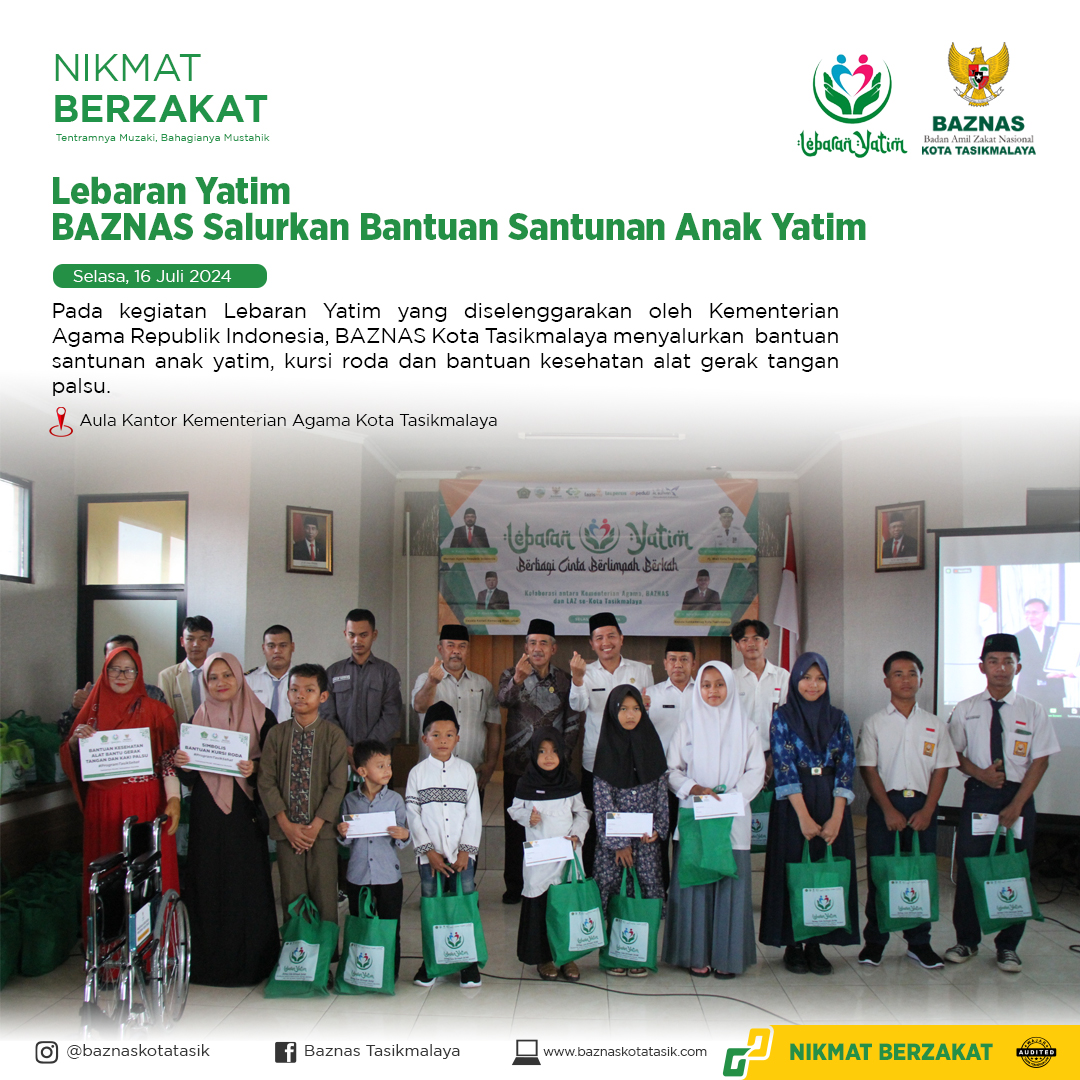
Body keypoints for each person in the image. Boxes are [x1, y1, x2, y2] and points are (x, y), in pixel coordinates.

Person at [944, 633, 1061, 973]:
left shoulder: (1033, 710)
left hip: (1017, 796)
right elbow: (953, 753)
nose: (1001, 668)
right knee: (971, 869)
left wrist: (1017, 805)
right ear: (982, 667)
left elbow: (1041, 761)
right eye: (993, 661)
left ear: (1018, 667)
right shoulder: (966, 708)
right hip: (980, 794)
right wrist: (980, 774)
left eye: (1008, 661)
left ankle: (1008, 946)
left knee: (1013, 872)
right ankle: (967, 940)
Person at [174, 652, 279, 986]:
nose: (220, 683)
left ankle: (252, 964)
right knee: (207, 880)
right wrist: (183, 763)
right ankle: (207, 965)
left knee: (245, 882)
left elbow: (275, 769)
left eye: (227, 675)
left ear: (239, 677)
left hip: (244, 813)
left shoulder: (263, 716)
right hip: (207, 814)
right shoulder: (198, 717)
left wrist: (255, 768)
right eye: (213, 677)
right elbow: (189, 777)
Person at [61, 646, 181, 928]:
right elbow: (71, 756)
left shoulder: (156, 711)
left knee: (147, 873)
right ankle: (108, 947)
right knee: (107, 875)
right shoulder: (91, 712)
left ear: (138, 674)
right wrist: (76, 742)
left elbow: (168, 759)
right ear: (105, 672)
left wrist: (174, 798)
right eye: (115, 669)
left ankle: (153, 944)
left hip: (146, 802)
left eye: (129, 670)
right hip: (104, 803)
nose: (121, 675)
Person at [759, 652, 859, 975]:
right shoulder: (783, 717)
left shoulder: (839, 718)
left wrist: (837, 816)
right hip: (793, 804)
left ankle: (816, 943)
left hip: (831, 800)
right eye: (806, 678)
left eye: (819, 679)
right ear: (795, 681)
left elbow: (847, 766)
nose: (813, 685)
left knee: (824, 872)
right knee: (793, 868)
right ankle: (793, 944)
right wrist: (802, 816)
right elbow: (783, 767)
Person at [856, 651, 957, 969]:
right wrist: (887, 809)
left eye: (912, 673)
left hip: (922, 807)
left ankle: (919, 943)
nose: (906, 680)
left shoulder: (935, 724)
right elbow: (868, 769)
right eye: (898, 674)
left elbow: (941, 769)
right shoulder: (874, 722)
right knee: (881, 875)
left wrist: (929, 810)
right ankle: (875, 942)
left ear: (921, 680)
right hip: (885, 806)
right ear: (886, 681)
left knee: (921, 876)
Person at [665, 661, 765, 978]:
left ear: (730, 687)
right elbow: (672, 770)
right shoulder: (688, 726)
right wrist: (693, 788)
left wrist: (732, 798)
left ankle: (727, 957)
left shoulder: (747, 727)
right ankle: (695, 954)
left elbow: (757, 771)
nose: (712, 691)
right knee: (696, 884)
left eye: (719, 684)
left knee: (729, 886)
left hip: (732, 816)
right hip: (696, 814)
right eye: (706, 685)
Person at [497, 618, 583, 904]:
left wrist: (562, 759)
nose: (537, 648)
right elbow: (503, 700)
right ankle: (515, 885)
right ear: (525, 647)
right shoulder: (511, 673)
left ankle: (551, 881)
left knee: (549, 826)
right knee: (516, 827)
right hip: (518, 766)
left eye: (543, 643)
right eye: (532, 643)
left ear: (553, 648)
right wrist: (517, 680)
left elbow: (573, 721)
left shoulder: (564, 680)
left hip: (552, 770)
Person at [258, 663, 349, 927]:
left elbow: (337, 785)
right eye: (294, 689)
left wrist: (316, 826)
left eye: (309, 690)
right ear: (287, 694)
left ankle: (326, 952)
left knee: (325, 896)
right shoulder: (277, 734)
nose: (300, 695)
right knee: (292, 896)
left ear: (323, 696)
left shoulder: (333, 735)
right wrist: (286, 826)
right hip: (287, 833)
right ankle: (295, 951)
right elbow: (266, 781)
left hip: (322, 832)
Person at [569, 612, 654, 874]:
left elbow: (648, 715)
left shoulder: (641, 671)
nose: (606, 642)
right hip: (596, 761)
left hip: (633, 761)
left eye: (611, 636)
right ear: (591, 644)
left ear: (621, 638)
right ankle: (594, 880)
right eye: (599, 638)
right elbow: (578, 705)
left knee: (630, 822)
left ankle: (632, 879)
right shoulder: (586, 673)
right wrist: (577, 679)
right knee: (597, 824)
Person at [592, 686, 669, 977]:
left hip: (647, 845)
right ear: (613, 712)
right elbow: (602, 801)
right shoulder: (606, 750)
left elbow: (661, 793)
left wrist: (658, 829)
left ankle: (640, 956)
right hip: (615, 849)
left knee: (645, 895)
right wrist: (619, 842)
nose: (630, 715)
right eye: (623, 709)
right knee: (614, 895)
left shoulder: (652, 744)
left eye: (636, 708)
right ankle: (616, 955)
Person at [406, 702, 484, 988]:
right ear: (424, 738)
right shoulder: (417, 774)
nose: (442, 740)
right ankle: (432, 962)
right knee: (433, 908)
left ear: (458, 738)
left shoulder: (466, 771)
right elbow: (413, 815)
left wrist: (466, 851)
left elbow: (473, 814)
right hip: (431, 859)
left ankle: (467, 964)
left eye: (449, 735)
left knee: (464, 905)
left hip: (462, 858)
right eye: (435, 735)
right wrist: (429, 851)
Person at [508, 730, 590, 981]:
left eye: (554, 751)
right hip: (540, 858)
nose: (548, 757)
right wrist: (527, 817)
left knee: (565, 907)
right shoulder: (526, 783)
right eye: (542, 751)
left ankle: (567, 957)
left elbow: (582, 813)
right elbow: (514, 810)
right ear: (533, 754)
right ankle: (544, 957)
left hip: (566, 856)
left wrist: (577, 834)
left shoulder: (569, 782)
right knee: (541, 906)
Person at [337, 739, 410, 982]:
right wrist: (342, 833)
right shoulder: (350, 801)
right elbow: (346, 842)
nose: (388, 770)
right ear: (362, 771)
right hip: (358, 876)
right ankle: (363, 972)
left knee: (390, 927)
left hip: (388, 876)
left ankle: (389, 973)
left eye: (389, 764)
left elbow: (403, 837)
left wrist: (404, 834)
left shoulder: (395, 800)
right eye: (380, 766)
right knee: (361, 924)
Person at [412, 624, 502, 802]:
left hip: (471, 773)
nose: (456, 651)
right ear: (440, 649)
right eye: (450, 645)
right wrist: (432, 682)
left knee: (471, 819)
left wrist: (491, 763)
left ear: (468, 650)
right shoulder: (425, 679)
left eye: (462, 646)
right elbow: (419, 707)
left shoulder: (482, 684)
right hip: (432, 774)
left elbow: (494, 727)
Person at [646, 637, 697, 888]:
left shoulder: (704, 693)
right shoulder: (650, 695)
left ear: (693, 664)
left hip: (694, 781)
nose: (678, 665)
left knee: (686, 839)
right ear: (665, 663)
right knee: (658, 839)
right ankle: (661, 893)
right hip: (659, 781)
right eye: (673, 659)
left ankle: (682, 892)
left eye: (684, 659)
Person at [321, 609, 403, 760]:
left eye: (363, 635)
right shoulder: (333, 672)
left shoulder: (388, 673)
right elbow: (326, 715)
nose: (357, 641)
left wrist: (365, 751)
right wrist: (346, 746)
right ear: (345, 634)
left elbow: (391, 717)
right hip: (340, 754)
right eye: (352, 635)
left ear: (374, 635)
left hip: (376, 756)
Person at [60, 634, 167, 739]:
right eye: (114, 654)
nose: (120, 658)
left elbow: (166, 736)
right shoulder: (89, 694)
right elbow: (64, 734)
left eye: (126, 653)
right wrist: (74, 708)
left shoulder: (153, 695)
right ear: (106, 659)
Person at [731, 618, 790, 784]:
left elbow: (788, 720)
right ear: (737, 646)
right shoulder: (731, 679)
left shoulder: (782, 677)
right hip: (740, 755)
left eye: (756, 638)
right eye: (744, 640)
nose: (751, 644)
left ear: (765, 643)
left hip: (775, 754)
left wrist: (774, 757)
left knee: (774, 799)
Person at [158, 615, 215, 729]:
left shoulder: (221, 675)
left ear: (210, 642)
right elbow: (165, 717)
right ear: (182, 641)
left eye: (203, 639)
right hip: (179, 738)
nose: (196, 644)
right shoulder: (167, 676)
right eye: (190, 639)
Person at [1015, 599, 1068, 715]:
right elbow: (1023, 664)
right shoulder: (1018, 637)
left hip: (1053, 691)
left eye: (1035, 612)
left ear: (1045, 614)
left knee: (1056, 723)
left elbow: (1066, 655)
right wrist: (1047, 675)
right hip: (1029, 691)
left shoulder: (1056, 633)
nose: (1030, 616)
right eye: (1027, 612)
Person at [245, 624, 296, 719]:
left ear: (292, 647)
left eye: (283, 645)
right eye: (271, 646)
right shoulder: (248, 680)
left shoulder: (303, 680)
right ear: (263, 648)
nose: (277, 651)